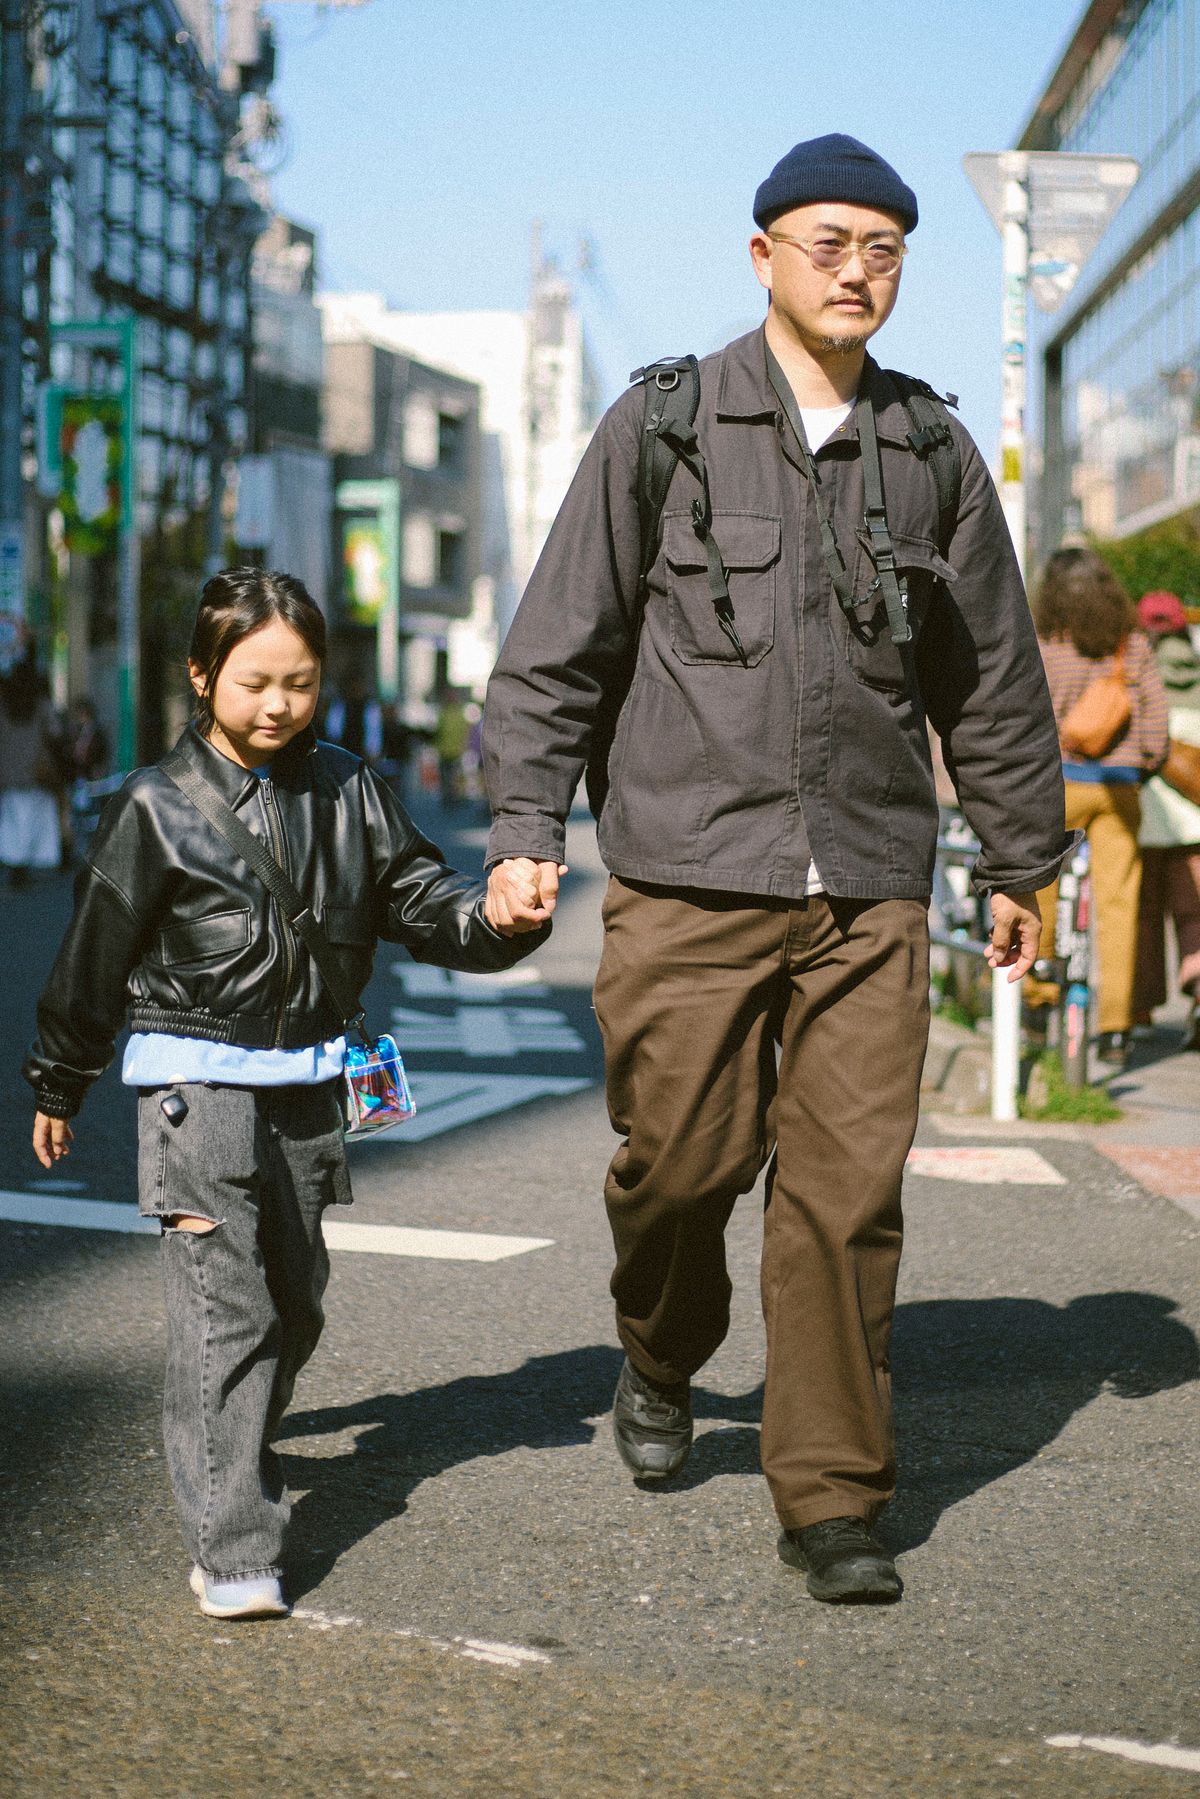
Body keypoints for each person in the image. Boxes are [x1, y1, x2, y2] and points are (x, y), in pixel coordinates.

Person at [482, 135, 1072, 1603]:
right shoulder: (666, 426)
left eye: (882, 246)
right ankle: (661, 1347)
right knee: (677, 1165)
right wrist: (522, 830)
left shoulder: (930, 453)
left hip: (868, 885)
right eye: (828, 241)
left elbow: (991, 677)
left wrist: (1019, 860)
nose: (856, 268)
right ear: (763, 256)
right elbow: (561, 645)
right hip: (689, 874)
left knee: (844, 1193)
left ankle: (830, 1491)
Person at [24, 568, 544, 1622]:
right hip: (191, 1080)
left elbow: (415, 896)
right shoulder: (152, 805)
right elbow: (92, 953)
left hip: (310, 1080)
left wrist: (494, 920)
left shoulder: (349, 784)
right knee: (229, 1314)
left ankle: (229, 1443)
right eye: (255, 680)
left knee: (294, 1299)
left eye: (300, 682)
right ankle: (234, 1547)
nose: (277, 704)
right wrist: (60, 1075)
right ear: (202, 674)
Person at [1029, 549, 1168, 1065]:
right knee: (1118, 903)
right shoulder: (1130, 646)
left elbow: (1028, 714)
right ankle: (1115, 1028)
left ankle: (1039, 997)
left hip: (1059, 785)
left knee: (1037, 880)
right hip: (1119, 788)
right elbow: (1155, 726)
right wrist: (1142, 765)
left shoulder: (1046, 644)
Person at [1131, 590, 1200, 1049]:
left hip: (1140, 821)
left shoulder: (1137, 677)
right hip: (1195, 822)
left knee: (1142, 918)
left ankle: (1139, 1011)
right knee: (1194, 915)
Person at [0, 648, 63, 888]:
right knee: (32, 820)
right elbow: (56, 733)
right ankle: (24, 863)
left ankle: (15, 863)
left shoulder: (4, 707)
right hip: (36, 772)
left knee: (12, 820)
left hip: (8, 772)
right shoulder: (40, 706)